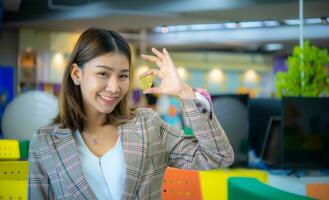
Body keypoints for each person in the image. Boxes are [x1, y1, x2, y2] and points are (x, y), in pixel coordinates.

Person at [28, 28, 234, 199]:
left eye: (123, 76)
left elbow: (218, 156)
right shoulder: (45, 141)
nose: (114, 87)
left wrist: (184, 92)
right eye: (103, 74)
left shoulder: (147, 125)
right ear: (76, 74)